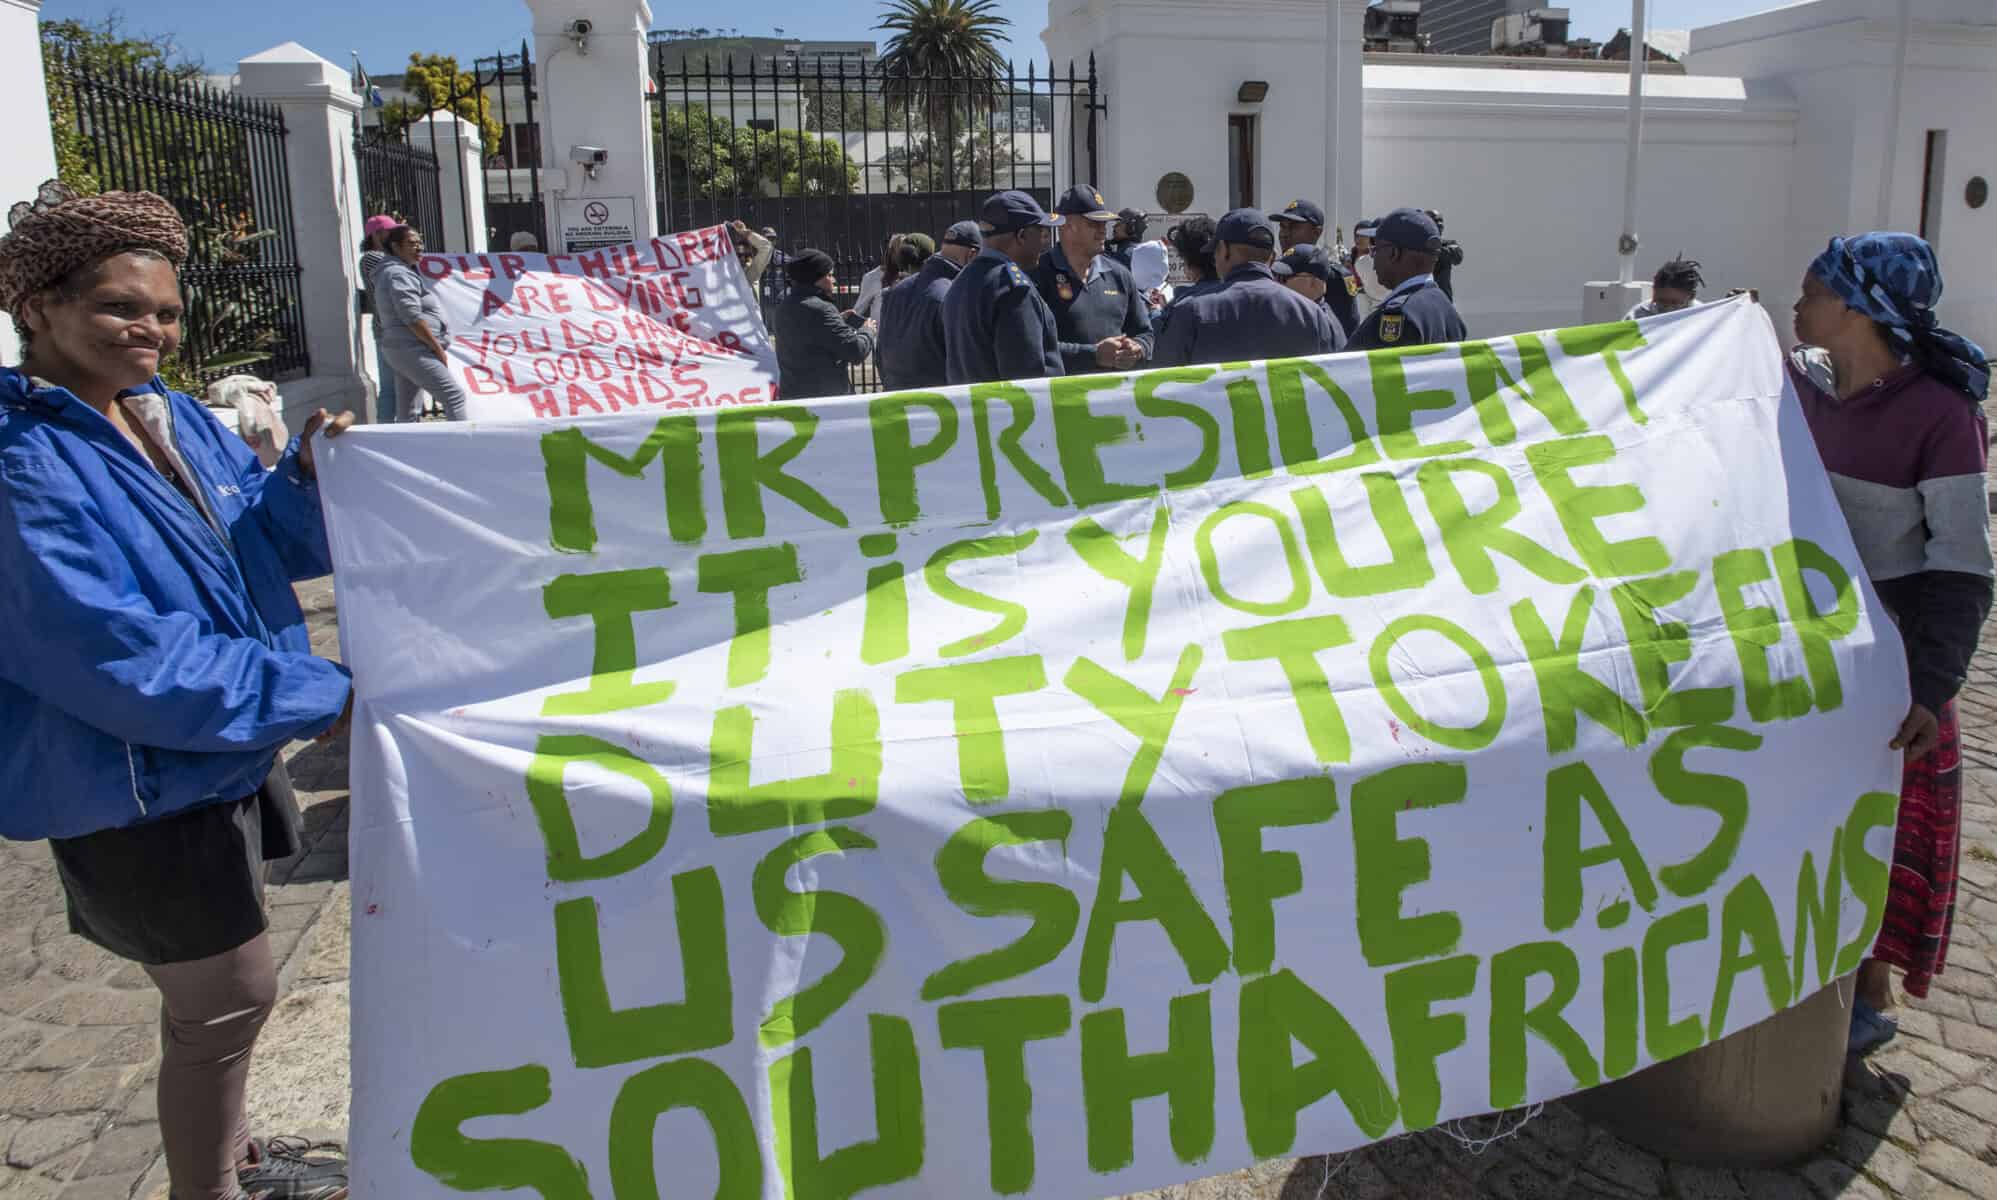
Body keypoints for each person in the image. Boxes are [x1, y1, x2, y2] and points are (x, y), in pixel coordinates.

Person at [0, 180, 355, 1200]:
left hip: (217, 757)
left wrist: (311, 485)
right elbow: (115, 659)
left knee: (219, 1001)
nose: (148, 329)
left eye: (163, 311)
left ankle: (234, 1156)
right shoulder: (25, 465)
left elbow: (261, 549)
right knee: (226, 1002)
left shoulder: (176, 423)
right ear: (40, 308)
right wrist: (315, 691)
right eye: (120, 307)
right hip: (132, 782)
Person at [1786, 233, 1993, 1056]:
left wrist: (1930, 686)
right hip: (1805, 645)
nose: (1794, 306)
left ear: (1854, 310)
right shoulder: (1798, 389)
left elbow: (1962, 567)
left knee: (1883, 830)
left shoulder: (1940, 419)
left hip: (1890, 663)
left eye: (1809, 292)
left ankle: (1868, 992)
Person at [1151, 208, 1339, 367]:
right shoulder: (1311, 314)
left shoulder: (1190, 311)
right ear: (1272, 257)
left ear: (1223, 250)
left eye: (1215, 252)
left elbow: (1164, 384)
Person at [942, 191, 1065, 386]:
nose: (1045, 242)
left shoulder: (962, 280)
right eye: (1041, 233)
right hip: (1014, 414)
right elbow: (1026, 378)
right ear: (1022, 236)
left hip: (973, 411)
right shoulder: (1012, 288)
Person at [1034, 185, 1151, 375]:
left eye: (1104, 224)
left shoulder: (1119, 275)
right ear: (1065, 226)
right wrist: (1092, 355)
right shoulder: (1037, 275)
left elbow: (1144, 333)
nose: (1103, 231)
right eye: (1094, 224)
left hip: (1114, 398)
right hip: (1061, 400)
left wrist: (1138, 349)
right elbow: (1033, 346)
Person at [373, 225, 468, 421]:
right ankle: (464, 447)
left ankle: (406, 449)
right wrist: (436, 348)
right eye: (411, 243)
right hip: (412, 348)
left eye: (420, 243)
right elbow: (411, 317)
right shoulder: (398, 274)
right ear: (396, 247)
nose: (419, 248)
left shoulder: (400, 272)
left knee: (408, 409)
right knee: (453, 396)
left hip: (405, 347)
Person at [1346, 208, 1467, 351]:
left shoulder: (1400, 315)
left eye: (1376, 249)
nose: (1373, 257)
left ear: (1393, 253)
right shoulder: (1445, 307)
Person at [878, 222, 979, 392]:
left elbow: (881, 354)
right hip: (941, 406)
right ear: (972, 255)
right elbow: (964, 365)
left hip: (896, 400)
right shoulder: (954, 294)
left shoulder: (895, 291)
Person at [773, 249, 876, 400]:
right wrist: (867, 330)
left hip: (793, 397)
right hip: (825, 401)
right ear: (815, 278)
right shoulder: (821, 309)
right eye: (829, 275)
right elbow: (856, 351)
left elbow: (809, 335)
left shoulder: (784, 306)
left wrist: (837, 321)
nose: (834, 280)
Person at [1153, 215, 1224, 342]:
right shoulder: (1245, 297)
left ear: (1187, 262)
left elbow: (1165, 350)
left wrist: (1158, 314)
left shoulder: (1182, 307)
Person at [357, 214, 399, 425]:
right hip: (386, 331)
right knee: (390, 386)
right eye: (390, 231)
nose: (394, 235)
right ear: (376, 234)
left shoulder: (388, 257)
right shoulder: (372, 258)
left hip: (394, 330)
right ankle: (385, 425)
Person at [1273, 244, 1361, 344]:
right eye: (1276, 276)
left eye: (1284, 278)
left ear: (1313, 283)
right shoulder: (1311, 314)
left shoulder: (1315, 324)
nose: (1277, 282)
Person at [1627, 257, 1704, 319]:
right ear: (1654, 293)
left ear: (1691, 296)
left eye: (1675, 303)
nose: (1668, 310)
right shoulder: (1636, 316)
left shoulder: (1704, 318)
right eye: (1661, 302)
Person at [852, 235, 900, 324]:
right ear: (891, 252)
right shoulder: (873, 277)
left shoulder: (914, 276)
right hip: (882, 335)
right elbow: (858, 310)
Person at [1349, 216, 1386, 313]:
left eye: (1363, 236)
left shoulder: (1363, 261)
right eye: (1356, 236)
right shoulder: (1348, 259)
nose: (1359, 239)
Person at [1425, 209, 1465, 300]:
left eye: (1440, 221)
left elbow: (1457, 258)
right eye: (1435, 221)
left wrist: (1436, 248)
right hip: (1421, 299)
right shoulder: (1415, 245)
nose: (1439, 224)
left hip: (1443, 298)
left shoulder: (1449, 244)